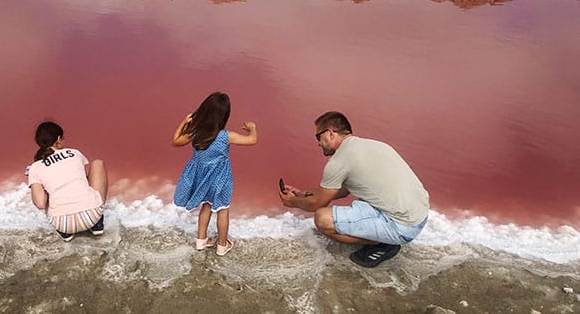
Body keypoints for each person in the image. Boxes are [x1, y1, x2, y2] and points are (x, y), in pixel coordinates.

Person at [279, 111, 429, 268]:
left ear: (330, 133)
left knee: (323, 219)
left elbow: (316, 205)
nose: (318, 143)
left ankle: (384, 244)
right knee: (360, 199)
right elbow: (342, 190)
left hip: (403, 227)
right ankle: (387, 237)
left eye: (318, 137)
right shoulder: (374, 145)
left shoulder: (339, 161)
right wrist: (303, 194)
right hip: (420, 215)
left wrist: (294, 202)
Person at [172, 92, 258, 256]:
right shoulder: (226, 136)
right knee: (223, 209)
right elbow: (252, 140)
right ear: (224, 116)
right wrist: (252, 128)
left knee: (206, 205)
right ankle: (222, 245)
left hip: (202, 179)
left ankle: (201, 240)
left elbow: (175, 141)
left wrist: (184, 122)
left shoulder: (196, 133)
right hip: (220, 179)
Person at [27, 120, 108, 242]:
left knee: (46, 187)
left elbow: (40, 203)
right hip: (92, 216)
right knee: (97, 163)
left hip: (62, 223)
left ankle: (66, 233)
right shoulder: (74, 153)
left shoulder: (35, 167)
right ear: (58, 139)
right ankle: (97, 225)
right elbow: (84, 178)